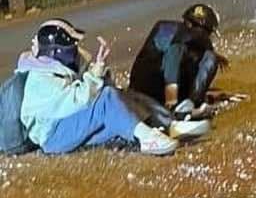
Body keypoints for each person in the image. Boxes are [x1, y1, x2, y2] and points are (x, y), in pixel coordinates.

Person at [17, 19, 205, 156]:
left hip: (66, 129)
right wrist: (96, 75)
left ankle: (169, 124)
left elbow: (92, 90)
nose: (76, 51)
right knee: (107, 97)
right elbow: (77, 101)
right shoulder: (41, 78)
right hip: (53, 136)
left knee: (123, 95)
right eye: (72, 48)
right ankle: (148, 139)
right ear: (57, 52)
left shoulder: (58, 67)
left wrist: (100, 69)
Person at [128, 4, 227, 120]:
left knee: (207, 57)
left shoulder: (168, 28)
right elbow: (172, 62)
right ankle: (186, 107)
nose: (208, 38)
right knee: (210, 59)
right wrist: (172, 102)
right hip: (154, 98)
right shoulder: (179, 45)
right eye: (208, 34)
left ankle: (185, 103)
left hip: (137, 90)